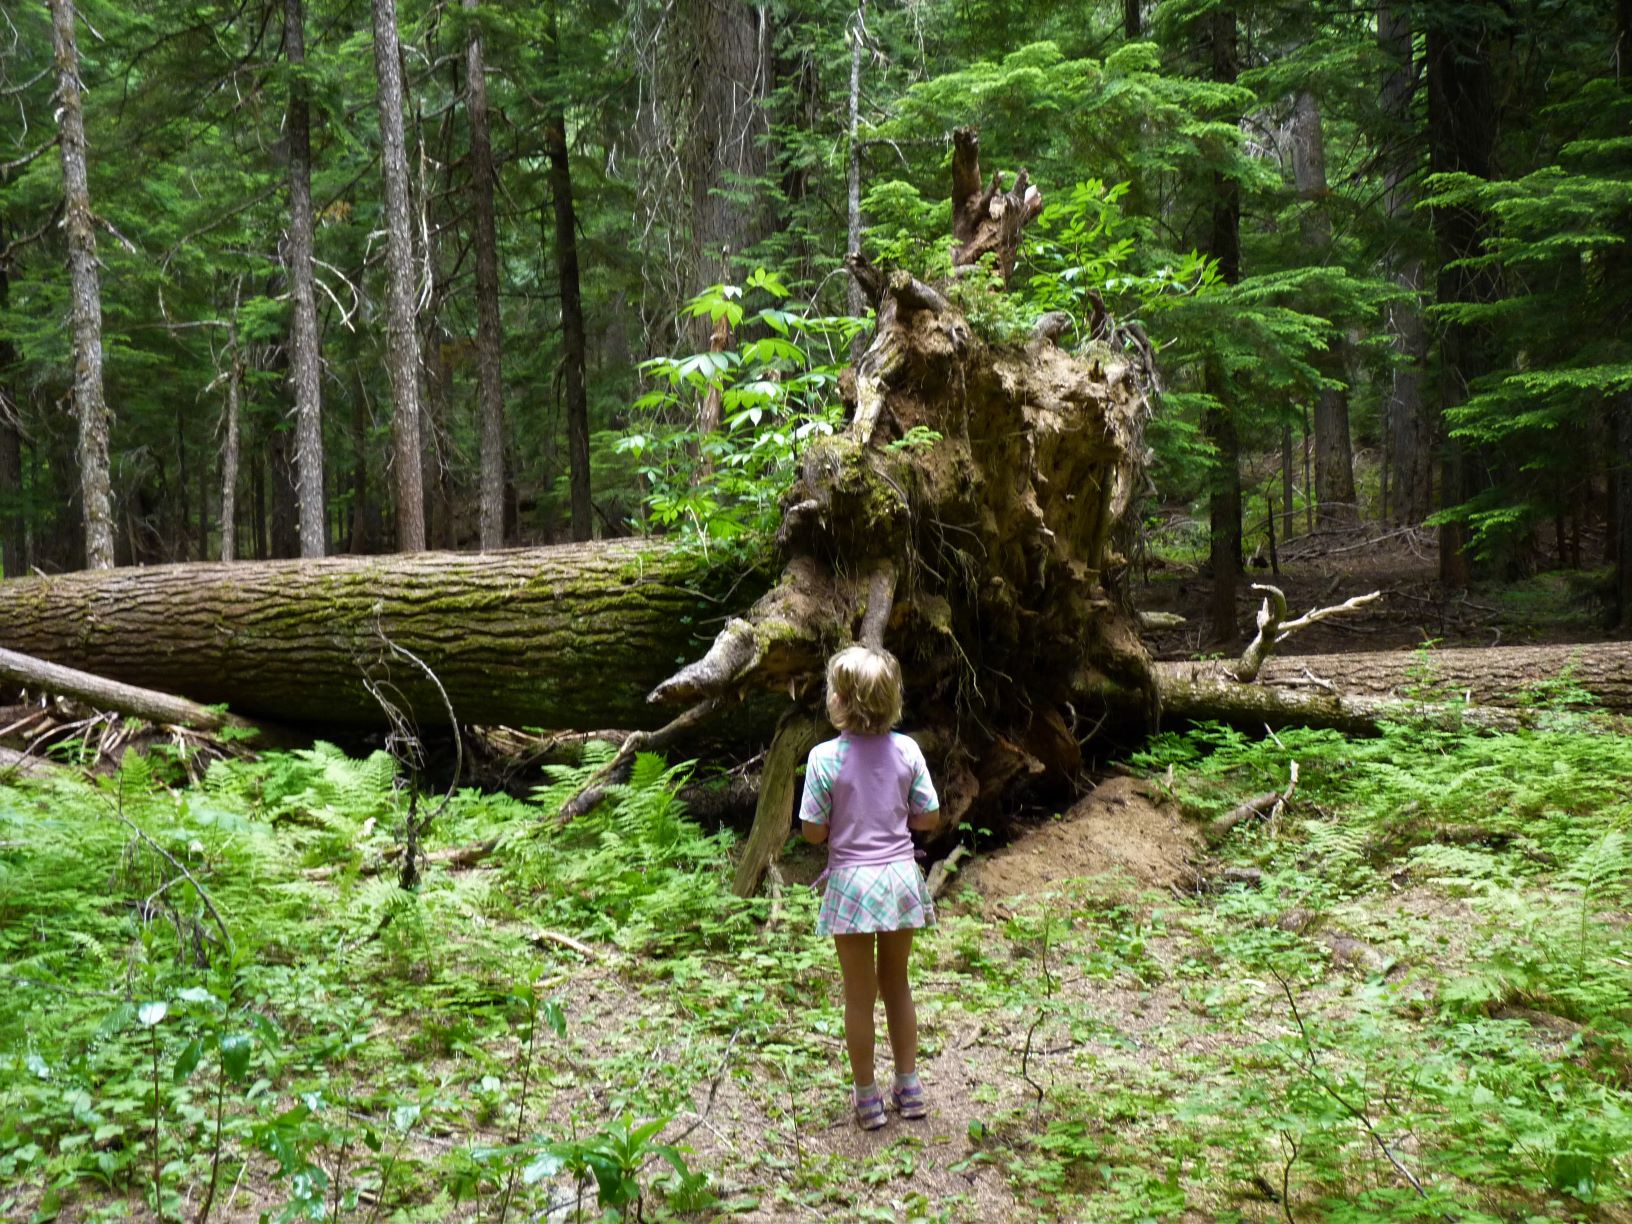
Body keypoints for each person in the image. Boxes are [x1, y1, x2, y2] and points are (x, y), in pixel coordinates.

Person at [799, 644, 940, 1130]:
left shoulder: (823, 759)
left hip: (853, 885)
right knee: (897, 983)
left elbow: (813, 831)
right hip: (900, 878)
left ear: (840, 700)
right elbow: (929, 815)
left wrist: (841, 823)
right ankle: (910, 1086)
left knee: (858, 994)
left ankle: (867, 1097)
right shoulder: (908, 750)